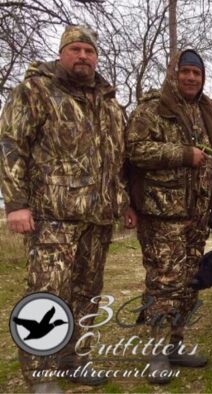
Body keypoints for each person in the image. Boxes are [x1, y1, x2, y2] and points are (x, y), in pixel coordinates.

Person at [0, 26, 134, 393]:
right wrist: (16, 204)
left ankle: (76, 360)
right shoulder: (36, 91)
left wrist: (124, 201)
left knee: (87, 292)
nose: (83, 56)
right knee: (47, 294)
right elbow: (12, 146)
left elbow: (118, 160)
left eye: (89, 51)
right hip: (51, 218)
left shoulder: (108, 104)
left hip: (97, 219)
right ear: (62, 54)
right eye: (75, 49)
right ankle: (40, 373)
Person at [126, 49, 212, 383]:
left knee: (189, 284)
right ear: (174, 74)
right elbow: (134, 151)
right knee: (164, 282)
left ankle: (176, 345)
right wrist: (182, 154)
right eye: (185, 72)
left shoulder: (207, 110)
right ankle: (156, 352)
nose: (190, 78)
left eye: (196, 74)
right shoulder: (153, 108)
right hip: (162, 215)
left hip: (197, 215)